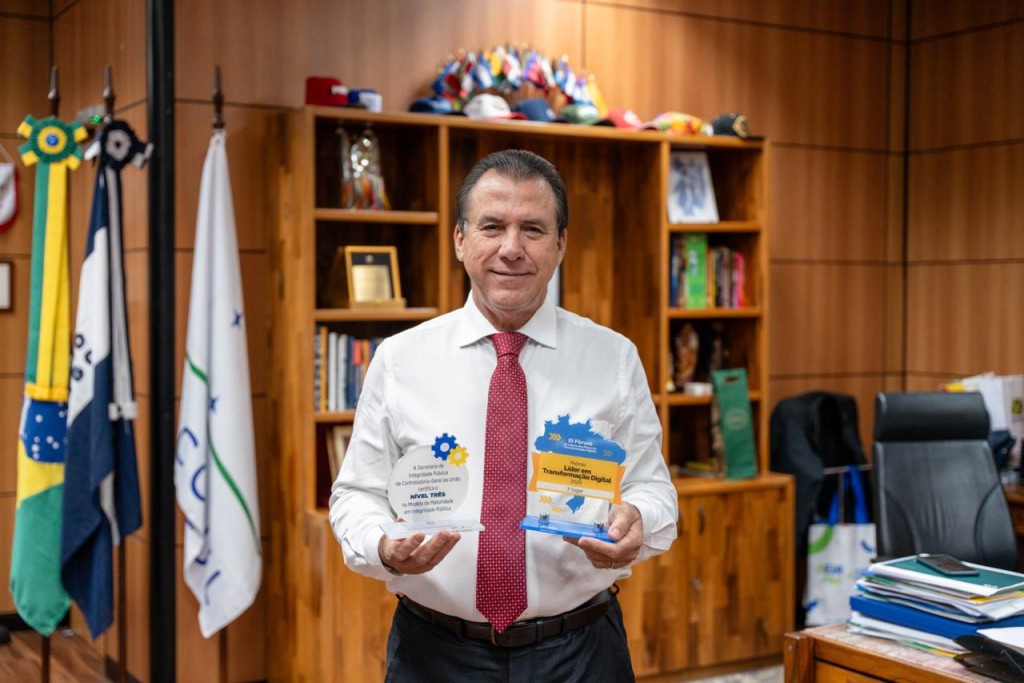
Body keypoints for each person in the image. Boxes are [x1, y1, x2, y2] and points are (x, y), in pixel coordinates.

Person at [329, 148, 677, 681]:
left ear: (561, 244)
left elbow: (653, 489)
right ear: (459, 240)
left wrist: (640, 520)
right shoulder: (400, 360)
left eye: (533, 229)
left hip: (581, 652)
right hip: (434, 654)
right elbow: (357, 493)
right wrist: (382, 545)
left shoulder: (613, 358)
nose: (511, 249)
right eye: (492, 226)